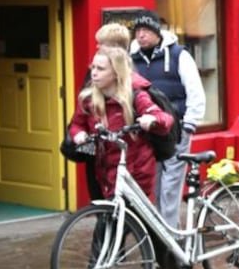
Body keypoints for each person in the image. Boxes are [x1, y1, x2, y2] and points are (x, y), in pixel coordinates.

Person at [68, 46, 174, 201]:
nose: (94, 73)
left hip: (136, 173)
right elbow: (77, 124)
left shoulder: (135, 96)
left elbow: (165, 119)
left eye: (101, 69)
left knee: (132, 221)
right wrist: (78, 134)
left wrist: (152, 120)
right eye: (93, 67)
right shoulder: (88, 99)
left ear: (116, 73)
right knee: (110, 220)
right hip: (105, 173)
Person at [130, 12, 206, 228]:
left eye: (146, 31)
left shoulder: (178, 55)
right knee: (154, 184)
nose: (141, 36)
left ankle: (170, 235)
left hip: (176, 129)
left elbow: (195, 91)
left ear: (157, 32)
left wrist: (189, 125)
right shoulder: (132, 58)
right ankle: (160, 233)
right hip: (148, 131)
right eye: (138, 32)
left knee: (170, 186)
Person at [78, 23, 154, 201]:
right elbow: (82, 113)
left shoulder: (127, 79)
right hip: (101, 148)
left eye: (101, 44)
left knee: (116, 210)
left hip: (119, 153)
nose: (97, 47)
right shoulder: (104, 71)